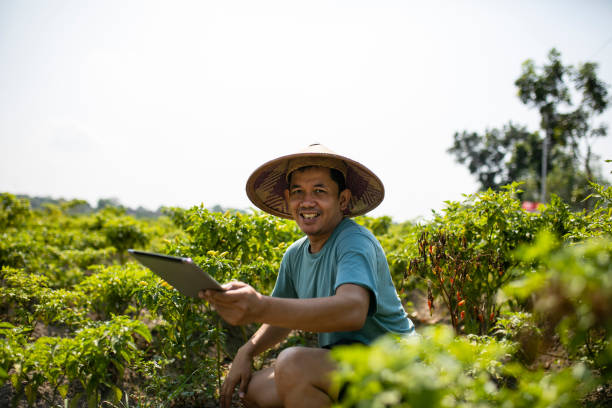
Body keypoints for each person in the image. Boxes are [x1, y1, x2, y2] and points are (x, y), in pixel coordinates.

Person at [200, 143, 415, 408]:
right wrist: (248, 350)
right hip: (346, 360)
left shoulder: (354, 241)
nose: (307, 202)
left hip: (396, 365)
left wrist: (259, 306)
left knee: (292, 363)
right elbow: (279, 321)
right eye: (299, 192)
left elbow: (353, 310)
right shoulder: (295, 254)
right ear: (289, 198)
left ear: (343, 200)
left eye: (320, 191)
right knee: (256, 390)